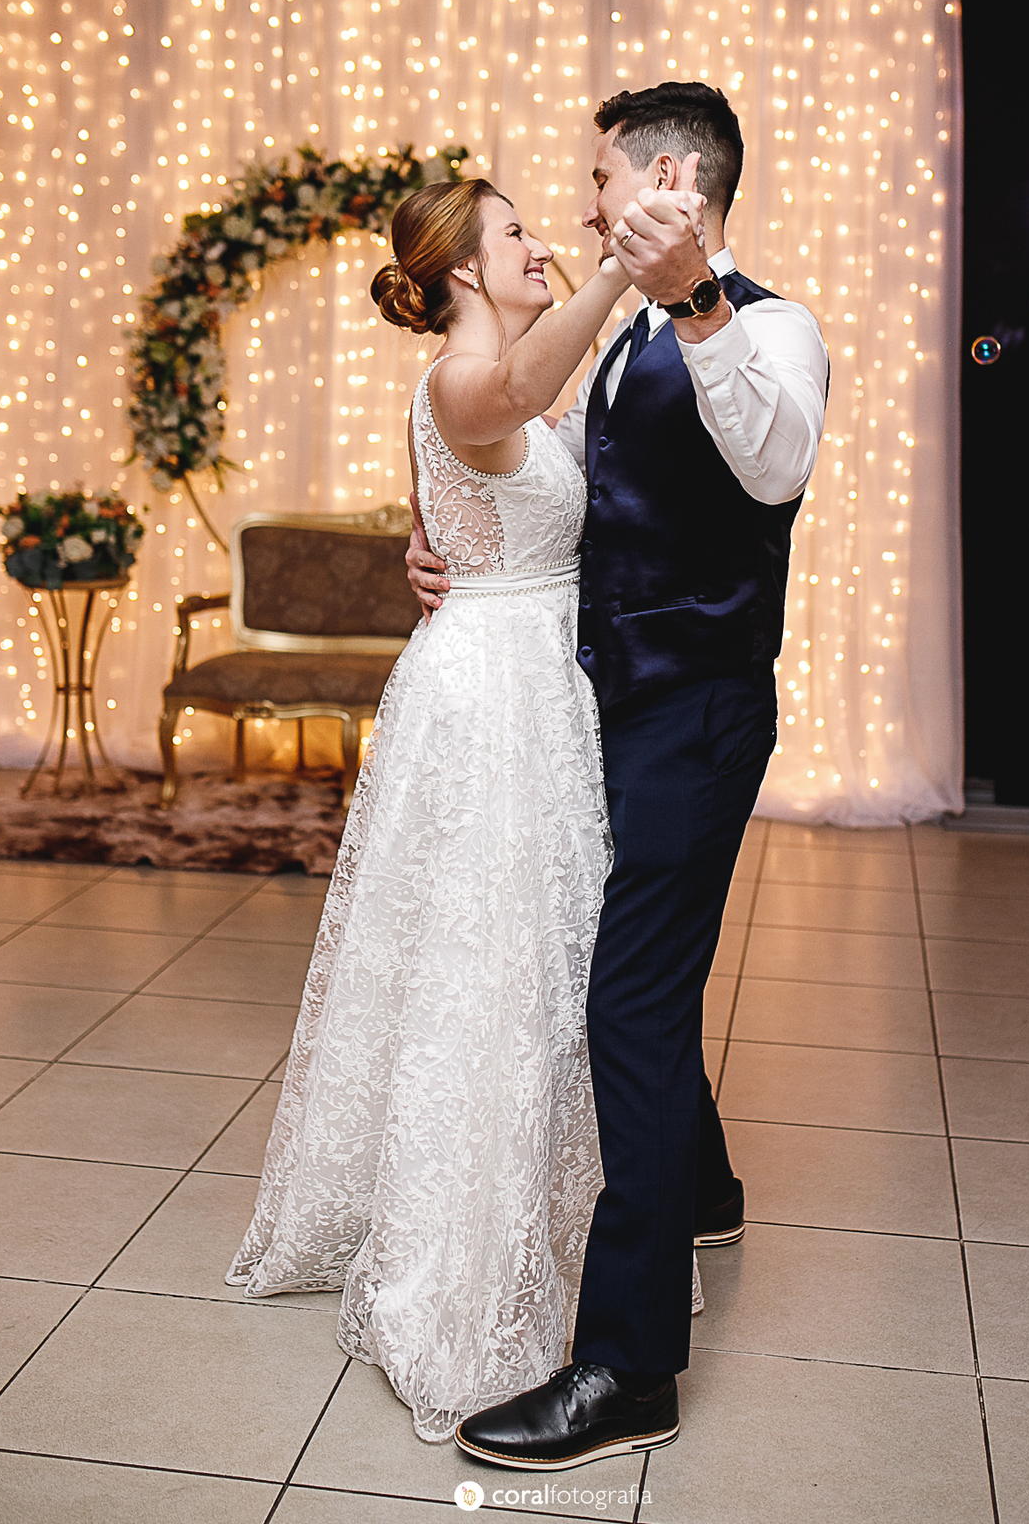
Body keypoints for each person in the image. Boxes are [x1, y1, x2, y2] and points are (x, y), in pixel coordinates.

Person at [226, 175, 703, 1443]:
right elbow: (515, 397)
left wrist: (433, 546)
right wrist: (620, 269)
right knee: (484, 971)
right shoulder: (459, 379)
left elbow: (479, 500)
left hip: (538, 680)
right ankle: (455, 1261)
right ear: (459, 273)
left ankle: (567, 1219)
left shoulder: (498, 384)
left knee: (550, 967)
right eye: (516, 236)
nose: (541, 247)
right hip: (491, 698)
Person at [408, 83, 829, 1471]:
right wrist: (447, 547)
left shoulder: (768, 325)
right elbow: (570, 503)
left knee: (629, 998)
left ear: (664, 179)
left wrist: (699, 300)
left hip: (693, 713)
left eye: (599, 179)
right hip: (596, 705)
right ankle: (703, 1187)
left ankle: (629, 1371)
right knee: (639, 967)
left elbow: (771, 470)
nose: (583, 207)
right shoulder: (617, 344)